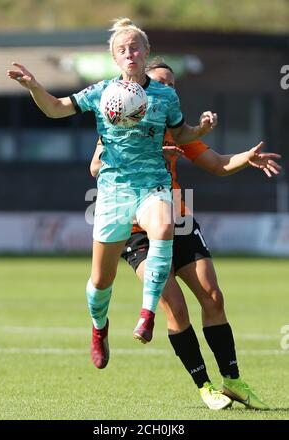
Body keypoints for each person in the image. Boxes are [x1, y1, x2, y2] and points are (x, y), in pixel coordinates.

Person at [7, 19, 217, 370]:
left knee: (164, 228)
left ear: (146, 52)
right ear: (114, 58)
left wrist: (202, 129)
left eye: (135, 47)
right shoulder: (102, 92)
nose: (129, 53)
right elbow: (57, 108)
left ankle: (147, 313)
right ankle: (98, 328)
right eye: (122, 49)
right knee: (101, 282)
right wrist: (33, 87)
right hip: (113, 192)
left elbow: (181, 133)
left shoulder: (165, 95)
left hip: (152, 185)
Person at [90, 59, 281, 409]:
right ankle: (204, 386)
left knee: (213, 296)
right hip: (136, 230)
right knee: (175, 307)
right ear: (142, 87)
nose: (168, 89)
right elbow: (95, 166)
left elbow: (217, 164)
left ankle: (234, 380)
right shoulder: (120, 122)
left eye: (173, 85)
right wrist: (148, 154)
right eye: (161, 81)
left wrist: (246, 158)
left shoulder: (176, 129)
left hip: (178, 219)